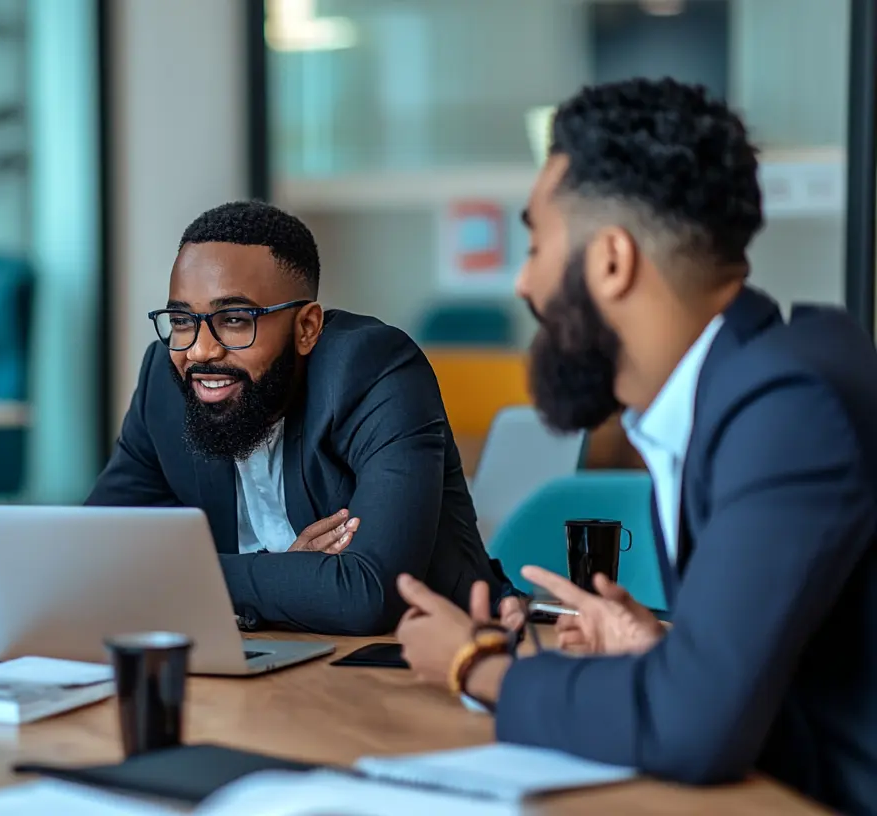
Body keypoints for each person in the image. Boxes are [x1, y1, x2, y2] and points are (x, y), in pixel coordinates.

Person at [394, 78, 877, 814]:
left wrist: (478, 666)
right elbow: (759, 690)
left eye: (536, 244)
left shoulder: (785, 406)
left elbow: (693, 729)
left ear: (611, 260)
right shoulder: (736, 384)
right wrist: (667, 660)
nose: (523, 280)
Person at [87, 201, 518, 635]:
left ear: (307, 327)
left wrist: (171, 575)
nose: (200, 350)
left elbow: (368, 594)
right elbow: (92, 556)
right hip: (255, 663)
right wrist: (283, 572)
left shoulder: (374, 370)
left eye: (235, 320)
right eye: (182, 320)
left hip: (419, 660)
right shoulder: (165, 383)